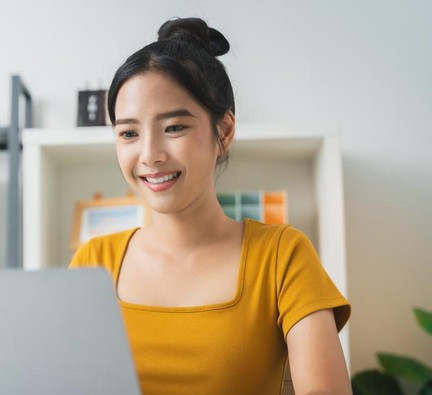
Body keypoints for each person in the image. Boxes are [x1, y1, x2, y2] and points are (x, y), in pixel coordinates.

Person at [69, 17, 351, 395]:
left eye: (174, 128)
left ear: (225, 131)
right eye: (129, 133)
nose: (150, 155)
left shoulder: (282, 255)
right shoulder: (93, 262)